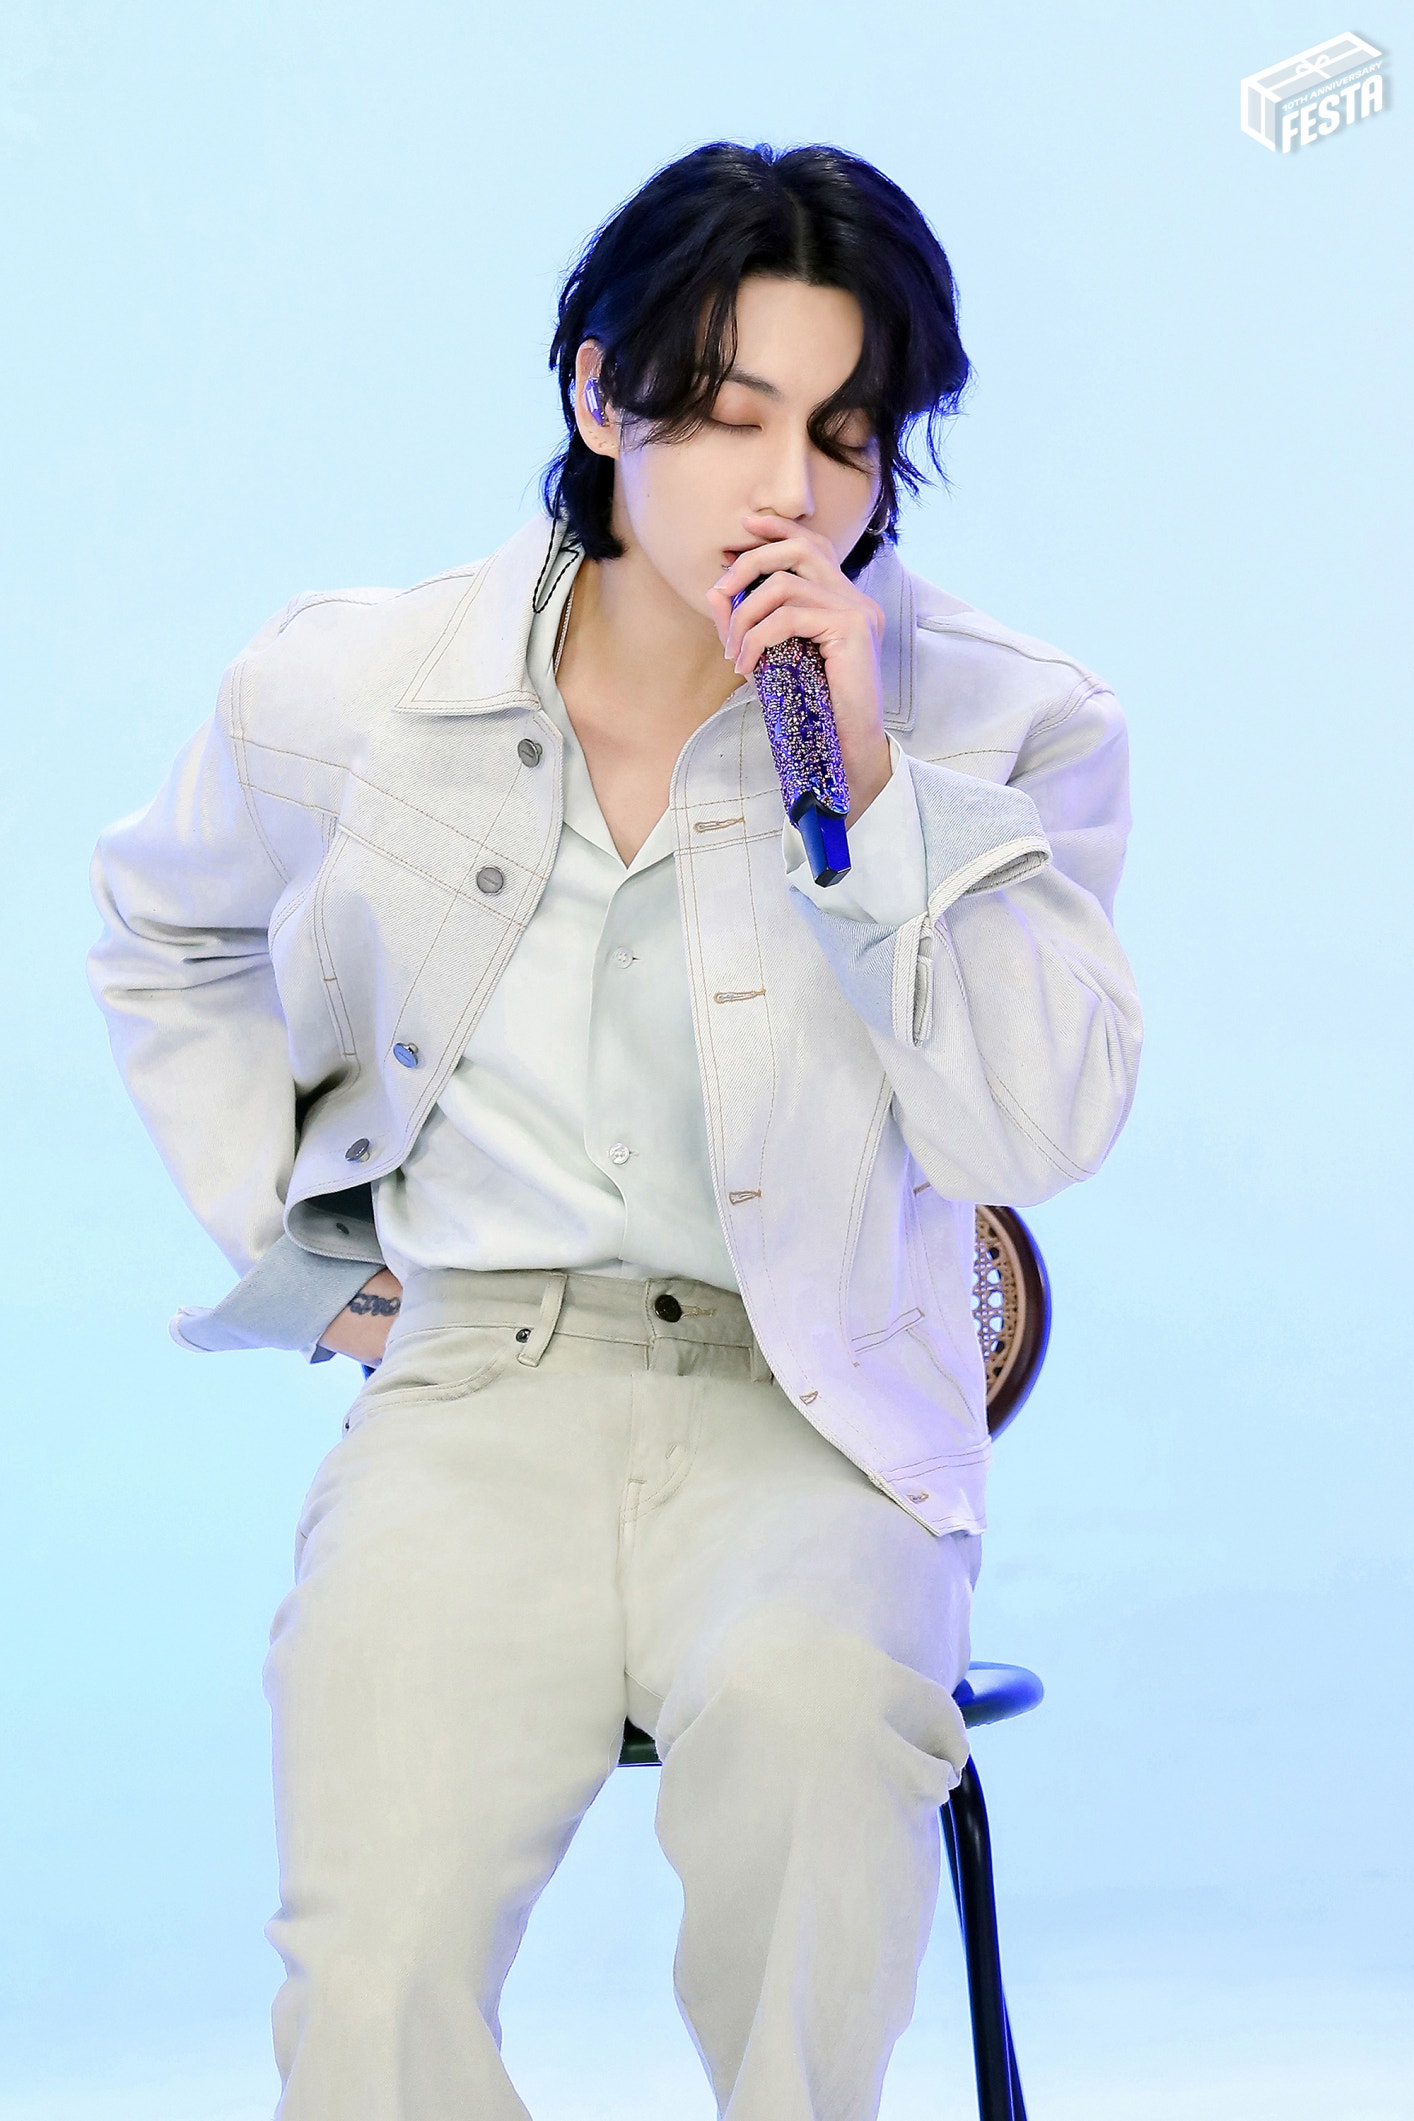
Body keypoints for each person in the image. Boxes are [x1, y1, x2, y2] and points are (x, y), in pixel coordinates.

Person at [88, 139, 1142, 2121]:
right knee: (375, 1961)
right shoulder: (352, 688)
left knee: (817, 1771)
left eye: (841, 435)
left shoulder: (1010, 722)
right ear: (599, 395)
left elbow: (1036, 1124)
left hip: (813, 1407)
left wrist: (875, 788)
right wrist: (307, 1258)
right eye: (729, 414)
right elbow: (166, 930)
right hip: (483, 1387)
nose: (785, 488)